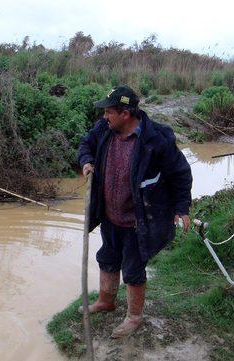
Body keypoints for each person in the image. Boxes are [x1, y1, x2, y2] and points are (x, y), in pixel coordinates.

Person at [78, 85, 193, 338]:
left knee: (132, 268)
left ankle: (134, 317)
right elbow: (86, 142)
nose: (104, 117)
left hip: (138, 220)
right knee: (107, 258)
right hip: (109, 215)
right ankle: (106, 301)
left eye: (109, 111)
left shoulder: (157, 139)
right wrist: (87, 160)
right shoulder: (104, 130)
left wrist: (181, 208)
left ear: (126, 113)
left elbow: (180, 173)